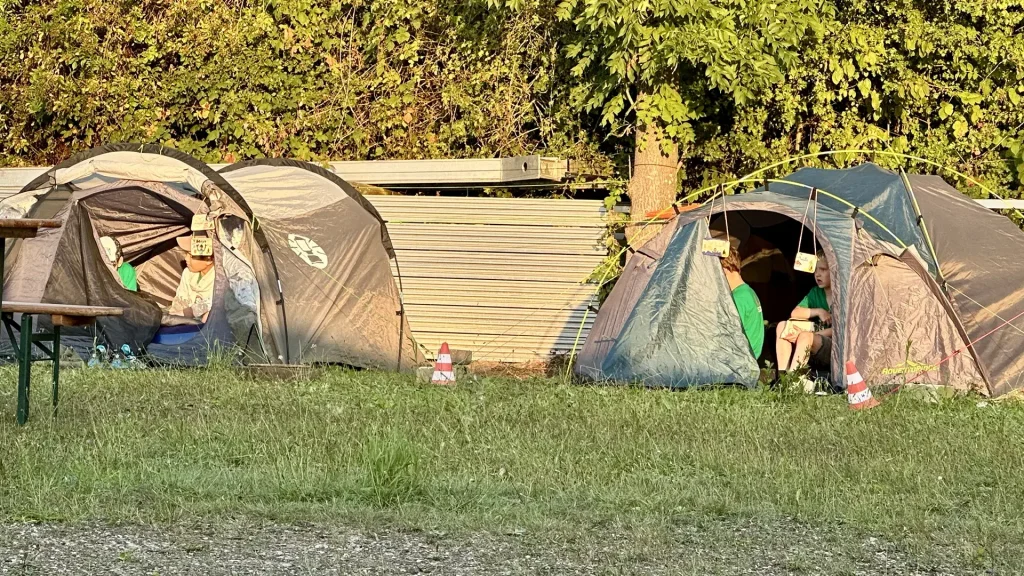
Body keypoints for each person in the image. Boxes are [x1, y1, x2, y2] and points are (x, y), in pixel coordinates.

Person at [775, 251, 832, 383]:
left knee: (805, 336)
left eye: (822, 269)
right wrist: (818, 311)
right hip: (811, 341)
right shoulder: (815, 292)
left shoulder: (842, 295)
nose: (817, 274)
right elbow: (795, 313)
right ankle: (783, 377)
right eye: (815, 270)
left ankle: (795, 381)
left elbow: (841, 331)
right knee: (782, 326)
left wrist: (810, 334)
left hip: (834, 348)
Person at [721, 240, 764, 359]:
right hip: (750, 355)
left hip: (741, 359)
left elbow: (731, 333)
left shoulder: (738, 298)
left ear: (724, 271)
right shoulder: (747, 291)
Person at [168, 234, 216, 322]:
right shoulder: (188, 273)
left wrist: (188, 313)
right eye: (186, 254)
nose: (186, 258)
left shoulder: (219, 279)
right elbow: (179, 300)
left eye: (191, 255)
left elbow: (213, 303)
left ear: (208, 260)